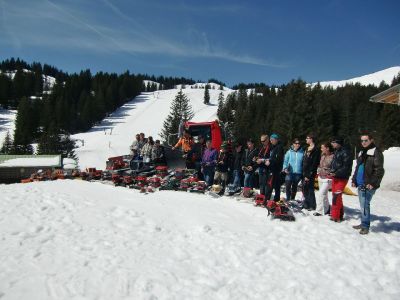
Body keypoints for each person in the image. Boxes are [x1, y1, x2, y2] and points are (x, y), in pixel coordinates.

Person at [351, 133, 385, 234]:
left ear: (371, 140)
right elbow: (358, 167)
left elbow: (379, 170)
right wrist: (354, 180)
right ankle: (363, 222)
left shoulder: (376, 152)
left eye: (366, 140)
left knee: (365, 204)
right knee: (363, 205)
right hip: (360, 183)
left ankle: (365, 226)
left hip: (368, 184)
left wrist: (373, 183)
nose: (363, 142)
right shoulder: (361, 152)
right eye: (362, 141)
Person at [329, 136, 353, 222]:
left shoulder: (346, 152)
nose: (332, 144)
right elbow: (334, 164)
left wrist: (336, 172)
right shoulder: (336, 151)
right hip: (335, 176)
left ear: (338, 143)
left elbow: (346, 167)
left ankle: (335, 216)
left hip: (342, 177)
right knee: (336, 196)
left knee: (336, 196)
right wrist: (331, 170)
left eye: (333, 142)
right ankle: (340, 213)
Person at [302, 134, 320, 210]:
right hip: (304, 171)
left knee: (310, 189)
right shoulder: (307, 148)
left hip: (310, 172)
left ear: (311, 139)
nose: (306, 139)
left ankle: (312, 205)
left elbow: (314, 163)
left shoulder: (316, 149)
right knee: (304, 188)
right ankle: (306, 204)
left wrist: (309, 174)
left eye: (307, 138)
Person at [315, 142, 334, 216]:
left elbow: (334, 167)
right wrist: (318, 171)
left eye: (322, 147)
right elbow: (320, 165)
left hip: (328, 178)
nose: (321, 149)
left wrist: (330, 173)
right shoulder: (322, 155)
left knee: (320, 194)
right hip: (321, 176)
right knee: (324, 195)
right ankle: (327, 209)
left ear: (327, 148)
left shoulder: (333, 156)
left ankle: (319, 211)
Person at [264, 133, 284, 201]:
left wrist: (270, 162)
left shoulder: (279, 147)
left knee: (270, 185)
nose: (271, 141)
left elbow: (278, 159)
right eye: (270, 140)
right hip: (273, 168)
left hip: (275, 169)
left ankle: (267, 200)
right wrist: (267, 160)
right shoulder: (273, 147)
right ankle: (276, 199)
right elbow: (271, 158)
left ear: (276, 140)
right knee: (276, 185)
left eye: (272, 140)